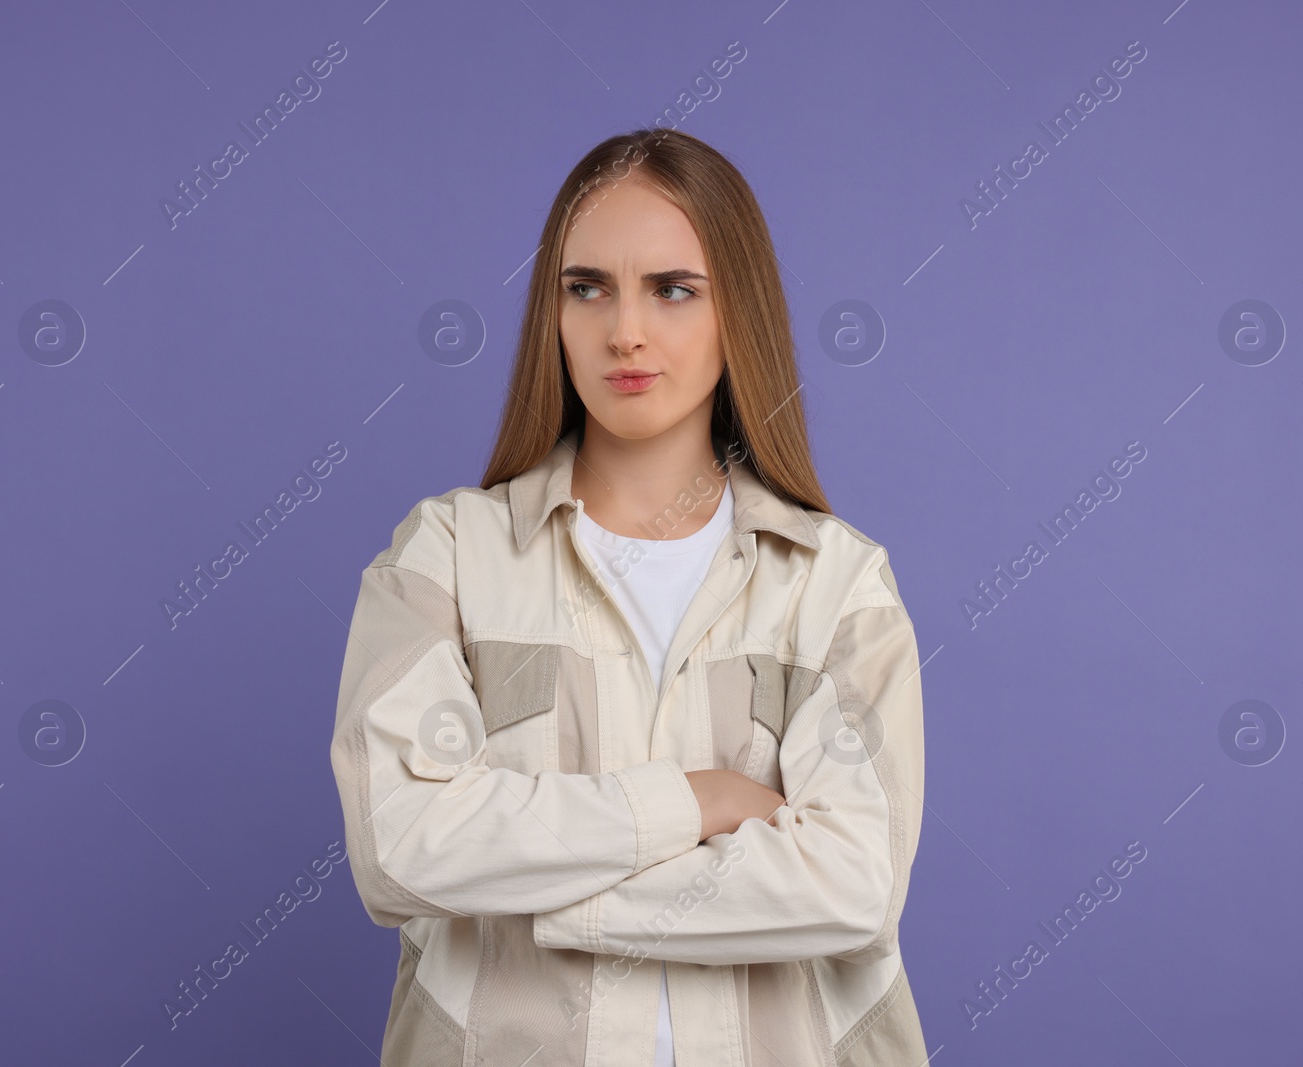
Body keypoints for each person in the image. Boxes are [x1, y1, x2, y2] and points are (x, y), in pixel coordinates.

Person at [329, 127, 928, 1066]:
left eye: (673, 289)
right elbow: (400, 844)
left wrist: (539, 888)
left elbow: (853, 884)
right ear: (552, 314)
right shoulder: (444, 556)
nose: (625, 331)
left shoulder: (836, 584)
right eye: (587, 287)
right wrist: (698, 800)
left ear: (740, 313)